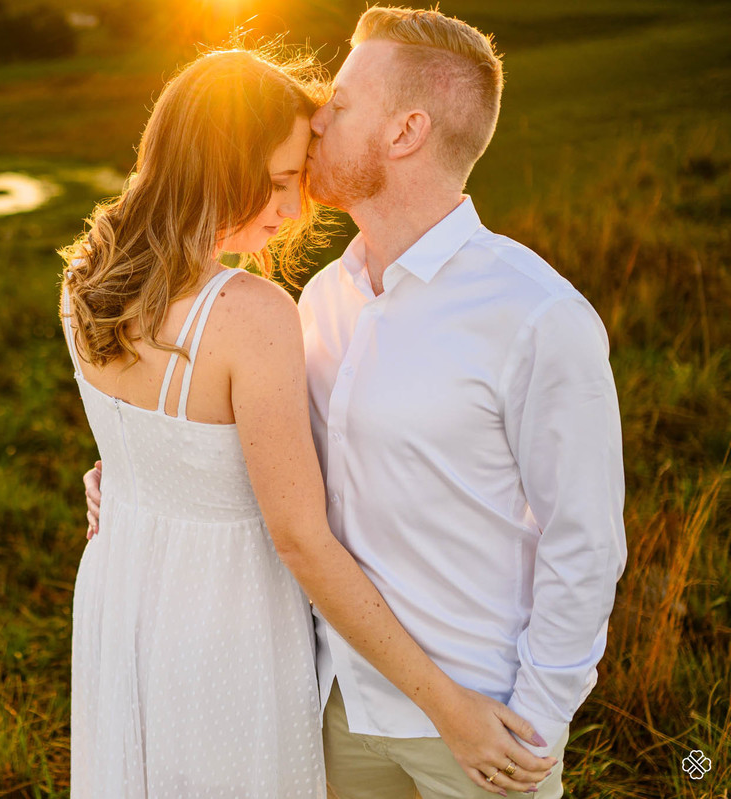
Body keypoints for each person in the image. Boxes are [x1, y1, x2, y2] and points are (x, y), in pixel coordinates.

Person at [83, 8, 627, 799]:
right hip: (334, 705)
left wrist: (533, 718)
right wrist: (137, 477)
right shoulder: (322, 299)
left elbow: (587, 542)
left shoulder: (538, 316)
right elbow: (274, 466)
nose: (315, 114)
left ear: (406, 131)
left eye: (340, 100)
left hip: (477, 724)